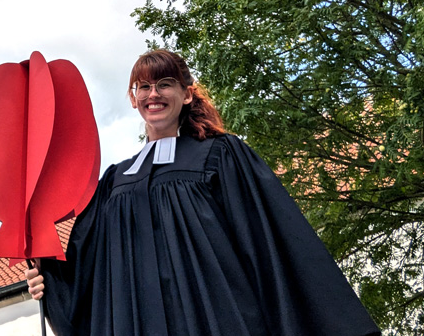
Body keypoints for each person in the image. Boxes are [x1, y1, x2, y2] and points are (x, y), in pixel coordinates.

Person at [24, 49, 380, 336]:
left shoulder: (222, 154)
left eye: (164, 83)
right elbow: (89, 268)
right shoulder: (114, 181)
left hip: (217, 319)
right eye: (143, 87)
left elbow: (271, 242)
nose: (154, 94)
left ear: (186, 92)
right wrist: (49, 277)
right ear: (133, 99)